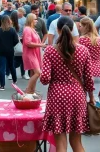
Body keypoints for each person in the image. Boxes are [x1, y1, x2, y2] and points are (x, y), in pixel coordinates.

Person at [40, 16, 95, 152]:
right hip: (77, 96)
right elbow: (88, 78)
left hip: (57, 97)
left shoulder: (50, 51)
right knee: (76, 143)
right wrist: (92, 97)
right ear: (73, 29)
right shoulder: (83, 50)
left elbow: (45, 79)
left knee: (61, 143)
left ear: (58, 30)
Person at [79, 17, 100, 102]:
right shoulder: (99, 40)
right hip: (98, 71)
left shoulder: (81, 40)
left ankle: (85, 115)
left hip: (85, 71)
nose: (79, 28)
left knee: (84, 98)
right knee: (95, 97)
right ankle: (96, 114)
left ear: (85, 26)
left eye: (81, 26)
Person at [0, 15, 19, 90]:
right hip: (10, 51)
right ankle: (14, 80)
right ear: (9, 21)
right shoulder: (12, 30)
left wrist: (0, 43)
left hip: (1, 50)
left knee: (2, 67)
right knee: (11, 66)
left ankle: (2, 86)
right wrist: (11, 45)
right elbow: (16, 40)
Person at [23, 13, 46, 94]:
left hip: (34, 53)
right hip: (30, 54)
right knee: (38, 72)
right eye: (35, 19)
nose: (37, 21)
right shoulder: (28, 29)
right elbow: (28, 43)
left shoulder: (31, 29)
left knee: (33, 73)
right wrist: (41, 45)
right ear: (31, 20)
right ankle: (28, 90)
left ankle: (32, 92)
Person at [10, 11, 29, 80]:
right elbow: (23, 34)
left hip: (11, 44)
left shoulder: (10, 25)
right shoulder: (19, 25)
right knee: (22, 59)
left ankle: (10, 73)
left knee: (14, 59)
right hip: (20, 43)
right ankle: (23, 74)